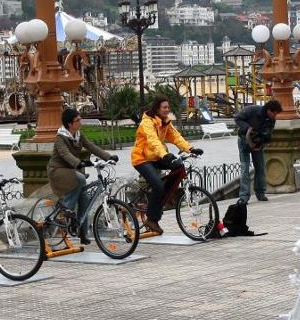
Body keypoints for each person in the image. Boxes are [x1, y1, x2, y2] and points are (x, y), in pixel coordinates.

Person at [131, 95, 200, 234]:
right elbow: (153, 141)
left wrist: (190, 148)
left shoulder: (165, 122)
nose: (167, 110)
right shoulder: (147, 122)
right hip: (142, 159)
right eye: (164, 107)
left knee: (178, 166)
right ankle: (152, 219)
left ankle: (162, 198)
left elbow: (176, 137)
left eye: (168, 107)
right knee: (158, 185)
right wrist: (165, 154)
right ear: (157, 109)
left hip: (156, 156)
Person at [48, 107, 116, 243]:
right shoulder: (60, 137)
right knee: (80, 178)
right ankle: (67, 210)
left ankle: (82, 233)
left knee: (85, 199)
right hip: (58, 170)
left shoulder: (79, 135)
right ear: (69, 124)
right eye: (77, 120)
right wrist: (78, 163)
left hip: (72, 171)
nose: (81, 122)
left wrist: (108, 157)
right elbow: (65, 154)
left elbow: (91, 146)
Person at [233, 99, 282, 203]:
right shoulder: (252, 110)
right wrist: (248, 128)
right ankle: (244, 196)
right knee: (245, 168)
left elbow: (269, 134)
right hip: (243, 140)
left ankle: (260, 193)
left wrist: (263, 140)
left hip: (258, 144)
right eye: (274, 113)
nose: (275, 116)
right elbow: (237, 118)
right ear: (269, 110)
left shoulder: (271, 120)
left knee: (260, 167)